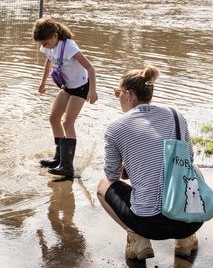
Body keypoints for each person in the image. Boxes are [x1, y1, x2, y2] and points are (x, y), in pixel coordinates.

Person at [96, 65, 202, 260]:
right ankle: (185, 239)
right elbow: (188, 159)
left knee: (103, 185)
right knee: (194, 169)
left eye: (117, 92)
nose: (117, 97)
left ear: (128, 94)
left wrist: (130, 168)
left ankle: (138, 241)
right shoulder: (176, 115)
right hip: (191, 219)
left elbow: (112, 176)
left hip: (149, 225)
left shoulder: (115, 127)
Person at [32, 17, 98, 178]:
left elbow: (90, 68)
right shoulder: (47, 46)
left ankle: (67, 167)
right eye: (41, 44)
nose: (43, 46)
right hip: (67, 86)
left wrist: (93, 91)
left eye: (46, 42)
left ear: (55, 35)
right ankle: (58, 158)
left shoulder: (69, 47)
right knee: (54, 118)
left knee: (67, 122)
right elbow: (48, 62)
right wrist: (43, 83)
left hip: (81, 87)